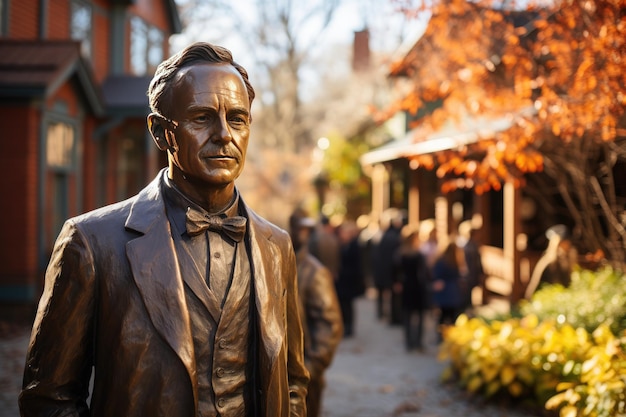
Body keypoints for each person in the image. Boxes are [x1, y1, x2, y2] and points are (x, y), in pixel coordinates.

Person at [19, 42, 309, 417]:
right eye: (202, 117)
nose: (224, 134)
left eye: (237, 118)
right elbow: (47, 399)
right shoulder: (92, 243)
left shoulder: (276, 246)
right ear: (160, 132)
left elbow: (294, 383)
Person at [288, 209, 343, 417]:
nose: (303, 234)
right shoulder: (278, 262)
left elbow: (330, 325)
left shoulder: (315, 271)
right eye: (300, 228)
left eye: (307, 229)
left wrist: (310, 369)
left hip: (304, 375)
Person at [396, 227, 432, 352]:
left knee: (408, 315)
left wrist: (397, 283)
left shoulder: (401, 253)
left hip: (407, 287)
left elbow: (395, 271)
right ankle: (417, 342)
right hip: (416, 287)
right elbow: (425, 273)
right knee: (418, 316)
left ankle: (410, 342)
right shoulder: (417, 255)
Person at [336, 220, 366, 337]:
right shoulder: (342, 244)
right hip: (343, 279)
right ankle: (345, 326)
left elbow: (357, 265)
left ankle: (349, 327)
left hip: (349, 280)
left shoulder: (354, 246)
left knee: (348, 305)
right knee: (343, 304)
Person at [432, 241, 463, 342]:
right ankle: (451, 337)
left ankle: (441, 336)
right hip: (452, 292)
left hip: (445, 292)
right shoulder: (455, 261)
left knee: (443, 316)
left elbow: (436, 275)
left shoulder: (441, 261)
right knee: (452, 317)